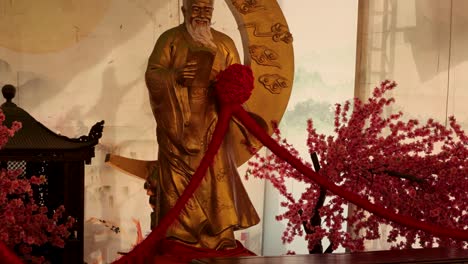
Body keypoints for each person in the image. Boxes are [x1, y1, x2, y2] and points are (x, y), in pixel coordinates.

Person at [145, 0, 260, 250]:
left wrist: (228, 87)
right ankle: (177, 233)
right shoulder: (170, 39)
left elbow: (237, 78)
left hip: (214, 125)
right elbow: (153, 73)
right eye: (196, 8)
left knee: (217, 179)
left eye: (207, 10)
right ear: (184, 9)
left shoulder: (224, 43)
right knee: (178, 180)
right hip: (178, 125)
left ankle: (219, 234)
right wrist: (175, 76)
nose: (201, 15)